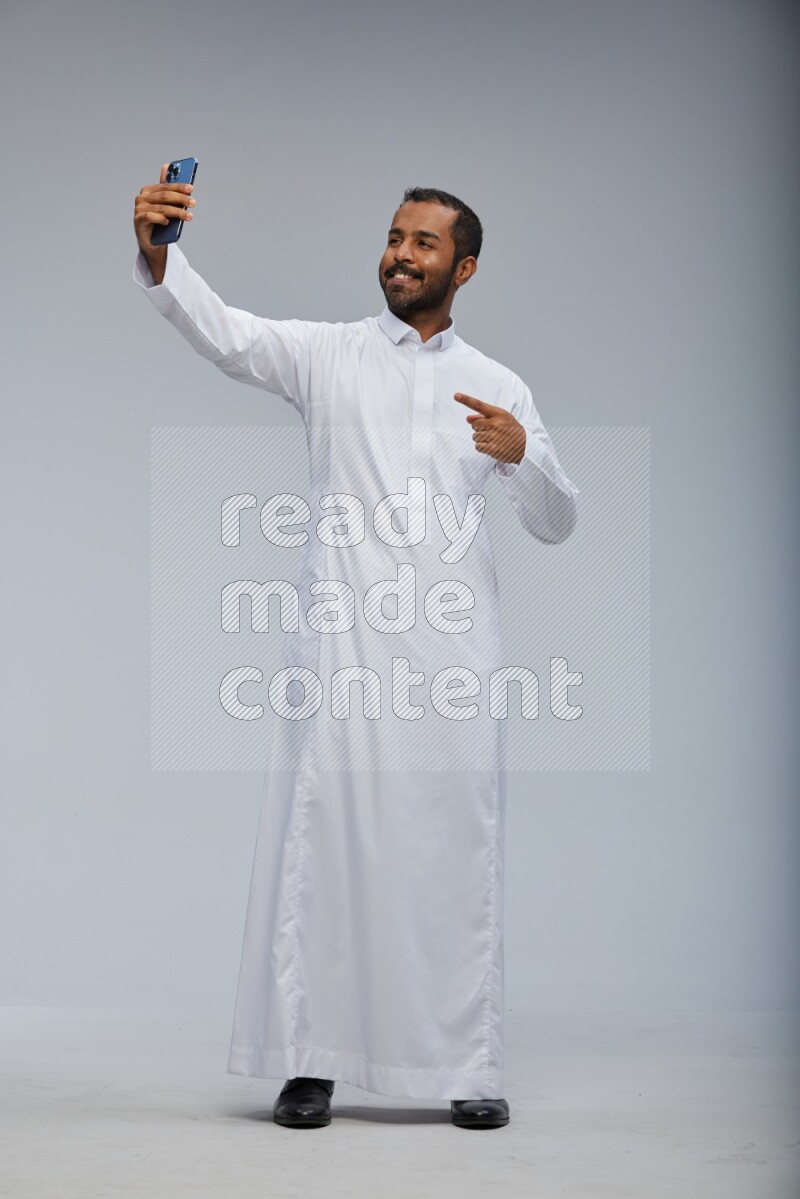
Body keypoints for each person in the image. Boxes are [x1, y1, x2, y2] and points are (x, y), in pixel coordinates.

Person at [133, 168, 580, 1130]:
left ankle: (469, 1062)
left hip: (453, 660)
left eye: (422, 243)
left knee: (456, 853)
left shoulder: (499, 386)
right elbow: (227, 333)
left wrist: (525, 457)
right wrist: (161, 253)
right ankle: (311, 1060)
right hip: (338, 652)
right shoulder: (330, 356)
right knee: (324, 850)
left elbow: (554, 520)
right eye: (392, 236)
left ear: (464, 267)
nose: (399, 254)